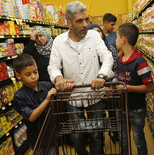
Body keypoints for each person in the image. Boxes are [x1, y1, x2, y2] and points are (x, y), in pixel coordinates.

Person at [48, 1, 114, 154]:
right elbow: (53, 66)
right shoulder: (59, 42)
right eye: (79, 21)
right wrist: (59, 79)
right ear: (69, 23)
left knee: (96, 134)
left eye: (86, 20)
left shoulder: (94, 37)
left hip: (95, 95)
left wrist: (101, 76)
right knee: (77, 136)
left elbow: (107, 57)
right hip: (73, 97)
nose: (85, 24)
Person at [113, 23, 154, 155]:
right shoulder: (119, 59)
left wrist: (126, 88)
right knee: (123, 139)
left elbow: (150, 86)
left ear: (123, 39)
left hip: (136, 109)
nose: (116, 40)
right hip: (121, 107)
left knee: (138, 139)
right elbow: (118, 78)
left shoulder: (140, 62)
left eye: (117, 37)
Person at [12, 54, 57, 149]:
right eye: (28, 74)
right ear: (19, 76)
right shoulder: (19, 96)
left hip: (52, 133)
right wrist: (47, 100)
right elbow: (31, 117)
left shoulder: (46, 86)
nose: (33, 77)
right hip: (37, 138)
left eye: (35, 72)